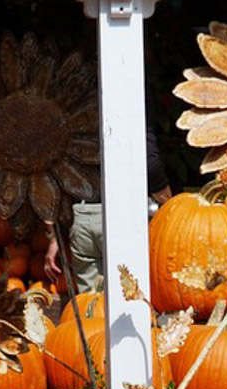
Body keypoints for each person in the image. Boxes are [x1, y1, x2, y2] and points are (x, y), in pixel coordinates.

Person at [43, 124, 171, 290]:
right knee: (129, 293)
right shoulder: (129, 111)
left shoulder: (71, 118)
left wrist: (54, 236)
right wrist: (168, 204)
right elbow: (150, 163)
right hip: (122, 215)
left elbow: (51, 177)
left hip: (82, 215)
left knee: (90, 299)